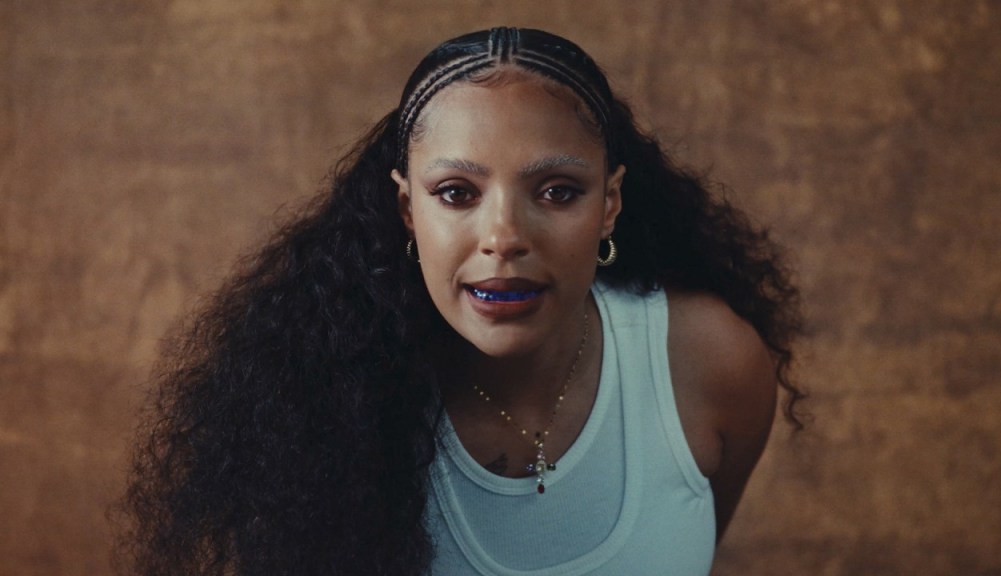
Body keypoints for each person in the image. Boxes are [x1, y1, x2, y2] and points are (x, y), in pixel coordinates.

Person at [120, 27, 802, 576]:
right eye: (456, 193)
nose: (503, 237)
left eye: (557, 192)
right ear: (406, 209)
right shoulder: (321, 406)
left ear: (610, 205)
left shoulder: (710, 363)